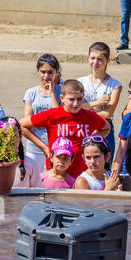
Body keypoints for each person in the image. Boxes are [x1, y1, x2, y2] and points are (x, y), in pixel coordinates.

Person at [19, 78, 109, 179]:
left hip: (81, 174)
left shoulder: (89, 116)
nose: (75, 103)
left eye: (79, 99)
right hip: (56, 173)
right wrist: (44, 147)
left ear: (83, 97)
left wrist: (91, 139)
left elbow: (106, 128)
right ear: (62, 98)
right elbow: (21, 125)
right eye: (71, 99)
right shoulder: (52, 114)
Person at [22, 54, 63, 185]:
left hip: (57, 149)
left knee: (53, 184)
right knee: (33, 184)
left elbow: (59, 117)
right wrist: (44, 147)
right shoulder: (31, 93)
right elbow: (26, 124)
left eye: (50, 72)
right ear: (37, 71)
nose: (46, 76)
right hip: (35, 148)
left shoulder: (62, 92)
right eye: (43, 72)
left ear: (56, 72)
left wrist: (52, 93)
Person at [80, 42, 122, 159]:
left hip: (104, 128)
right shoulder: (80, 82)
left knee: (105, 164)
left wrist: (84, 111)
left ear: (107, 60)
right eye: (92, 58)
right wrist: (97, 103)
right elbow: (74, 107)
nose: (95, 62)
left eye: (100, 59)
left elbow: (108, 113)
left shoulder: (115, 85)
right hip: (83, 128)